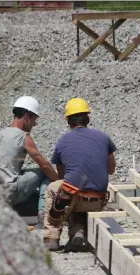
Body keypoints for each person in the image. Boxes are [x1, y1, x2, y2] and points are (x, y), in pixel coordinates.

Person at [43, 97, 117, 252]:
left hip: (73, 196)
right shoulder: (104, 138)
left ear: (69, 121)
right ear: (88, 118)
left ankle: (52, 237)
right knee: (76, 194)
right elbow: (111, 169)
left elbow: (62, 176)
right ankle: (78, 233)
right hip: (98, 199)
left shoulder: (63, 141)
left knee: (55, 189)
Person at [0, 96, 59, 227]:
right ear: (26, 116)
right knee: (45, 172)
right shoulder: (24, 137)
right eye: (34, 120)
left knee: (26, 172)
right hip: (9, 192)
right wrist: (59, 180)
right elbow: (44, 165)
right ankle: (43, 215)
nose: (34, 124)